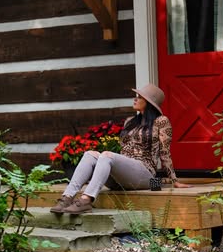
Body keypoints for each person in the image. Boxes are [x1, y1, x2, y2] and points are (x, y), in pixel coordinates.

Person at [50, 83, 190, 215]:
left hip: (144, 174)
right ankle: (67, 197)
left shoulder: (161, 121)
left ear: (150, 102)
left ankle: (86, 200)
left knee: (107, 155)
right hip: (122, 177)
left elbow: (165, 152)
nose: (135, 99)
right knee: (89, 154)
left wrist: (174, 180)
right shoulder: (130, 121)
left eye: (140, 97)